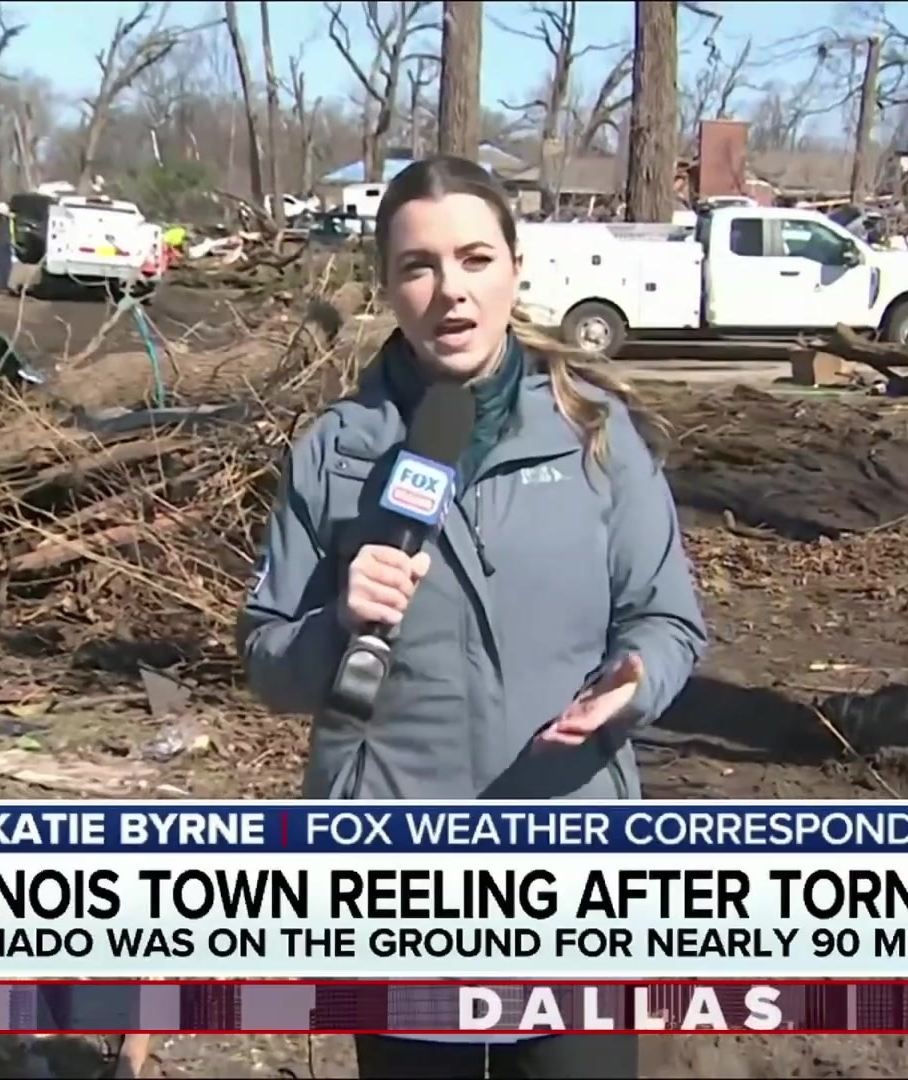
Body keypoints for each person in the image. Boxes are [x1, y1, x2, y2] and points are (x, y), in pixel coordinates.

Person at [240, 156, 708, 1079]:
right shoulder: (334, 451)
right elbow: (267, 659)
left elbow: (669, 616)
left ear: (514, 267)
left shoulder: (593, 431)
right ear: (387, 287)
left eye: (474, 259)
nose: (449, 290)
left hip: (569, 867)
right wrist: (337, 619)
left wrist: (636, 680)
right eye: (418, 267)